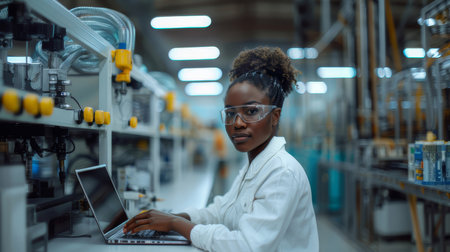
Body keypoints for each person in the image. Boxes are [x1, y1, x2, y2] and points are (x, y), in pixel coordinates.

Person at [123, 46, 319, 251]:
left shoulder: (282, 173)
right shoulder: (255, 164)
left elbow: (248, 246)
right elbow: (222, 210)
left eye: (251, 111)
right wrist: (175, 217)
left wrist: (176, 225)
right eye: (230, 113)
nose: (238, 123)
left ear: (275, 117)